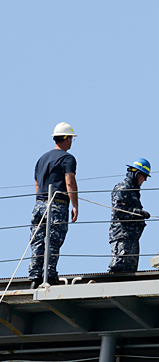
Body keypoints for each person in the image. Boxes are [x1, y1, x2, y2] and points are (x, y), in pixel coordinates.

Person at [29, 122, 79, 289]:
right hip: (56, 205)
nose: (71, 141)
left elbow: (37, 184)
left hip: (39, 204)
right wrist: (75, 205)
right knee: (53, 240)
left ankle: (35, 276)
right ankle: (48, 276)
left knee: (37, 240)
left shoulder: (42, 159)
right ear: (66, 139)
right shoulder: (67, 158)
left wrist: (40, 201)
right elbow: (69, 182)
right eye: (71, 138)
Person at [108, 158, 152, 273]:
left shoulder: (133, 191)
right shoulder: (123, 187)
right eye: (145, 176)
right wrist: (139, 213)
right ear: (137, 174)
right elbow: (119, 211)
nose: (145, 180)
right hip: (122, 236)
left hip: (132, 238)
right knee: (118, 269)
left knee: (130, 273)